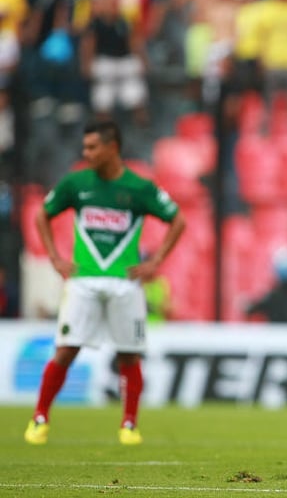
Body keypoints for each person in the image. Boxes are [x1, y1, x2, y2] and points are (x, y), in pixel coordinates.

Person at [24, 120, 186, 446]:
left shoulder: (139, 188)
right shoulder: (76, 183)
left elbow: (178, 220)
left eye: (92, 147)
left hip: (124, 283)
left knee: (128, 355)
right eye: (85, 147)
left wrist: (155, 261)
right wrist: (55, 257)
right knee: (66, 350)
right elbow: (42, 214)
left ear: (113, 148)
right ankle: (40, 417)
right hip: (83, 281)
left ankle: (129, 424)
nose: (86, 153)